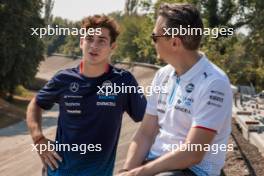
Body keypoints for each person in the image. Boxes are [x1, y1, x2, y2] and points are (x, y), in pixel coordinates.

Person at [118, 3, 232, 176]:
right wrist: (126, 171)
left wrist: (138, 173)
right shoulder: (162, 75)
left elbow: (192, 153)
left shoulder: (215, 83)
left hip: (191, 170)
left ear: (174, 43)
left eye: (154, 36)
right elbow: (146, 133)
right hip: (156, 165)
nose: (152, 41)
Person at [26, 15, 146, 176]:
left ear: (113, 46)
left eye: (102, 40)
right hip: (58, 171)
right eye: (89, 39)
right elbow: (36, 104)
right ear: (81, 42)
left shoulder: (123, 81)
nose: (94, 46)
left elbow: (148, 120)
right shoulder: (64, 78)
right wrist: (38, 138)